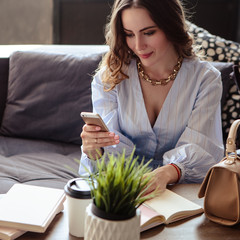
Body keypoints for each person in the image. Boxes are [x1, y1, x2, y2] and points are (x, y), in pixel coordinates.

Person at [79, 0, 224, 194]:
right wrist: (95, 150)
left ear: (171, 26)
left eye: (149, 32)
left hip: (180, 187)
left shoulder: (205, 79)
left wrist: (166, 173)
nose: (138, 46)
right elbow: (110, 149)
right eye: (129, 34)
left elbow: (202, 147)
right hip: (124, 185)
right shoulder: (109, 78)